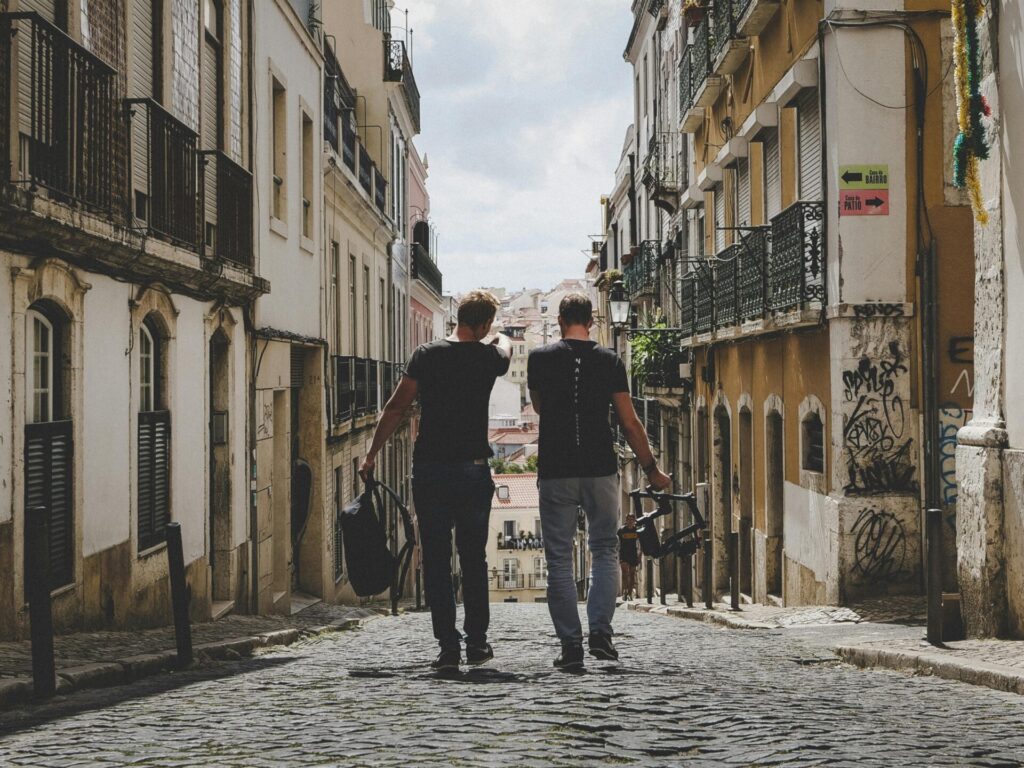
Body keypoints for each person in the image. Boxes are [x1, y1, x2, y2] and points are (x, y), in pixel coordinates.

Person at [359, 290, 511, 672]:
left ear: (457, 319)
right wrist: (497, 336)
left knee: (437, 561)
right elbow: (506, 347)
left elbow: (395, 407)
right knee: (474, 559)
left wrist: (372, 454)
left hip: (430, 469)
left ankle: (448, 648)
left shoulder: (426, 355)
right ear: (483, 325)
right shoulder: (488, 355)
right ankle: (476, 643)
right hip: (473, 469)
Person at [528, 293, 671, 670]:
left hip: (556, 468)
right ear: (591, 322)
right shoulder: (609, 361)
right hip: (601, 468)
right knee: (605, 549)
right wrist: (651, 469)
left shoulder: (539, 358)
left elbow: (540, 406)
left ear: (560, 320)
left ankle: (571, 646)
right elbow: (628, 421)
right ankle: (601, 635)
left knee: (559, 559)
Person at [618, 514, 641, 600]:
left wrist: (640, 555)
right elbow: (617, 543)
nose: (630, 521)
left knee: (632, 574)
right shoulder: (621, 530)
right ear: (626, 520)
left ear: (634, 520)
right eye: (629, 519)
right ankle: (625, 590)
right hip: (624, 554)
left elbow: (640, 543)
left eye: (632, 519)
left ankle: (630, 592)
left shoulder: (637, 531)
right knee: (624, 573)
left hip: (633, 554)